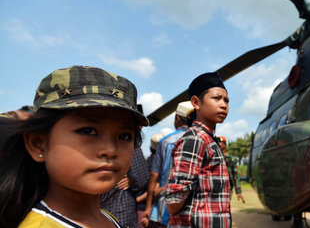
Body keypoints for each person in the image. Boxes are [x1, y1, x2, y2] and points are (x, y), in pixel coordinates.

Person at [0, 65, 148, 228]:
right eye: (88, 131)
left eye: (124, 136)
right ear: (38, 144)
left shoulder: (108, 219)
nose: (110, 150)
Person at [165, 72, 231, 227]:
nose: (224, 105)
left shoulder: (208, 139)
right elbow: (174, 201)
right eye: (216, 98)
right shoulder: (195, 139)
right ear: (196, 102)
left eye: (226, 100)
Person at [142, 101, 192, 228]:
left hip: (164, 206)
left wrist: (148, 208)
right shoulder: (200, 140)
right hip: (191, 208)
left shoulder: (165, 141)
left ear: (178, 119)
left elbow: (154, 176)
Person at [101, 145, 149, 228]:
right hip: (120, 209)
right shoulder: (129, 142)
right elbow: (142, 178)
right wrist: (132, 179)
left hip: (91, 210)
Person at [218, 136, 245, 204]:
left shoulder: (231, 159)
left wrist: (238, 192)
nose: (218, 143)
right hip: (215, 188)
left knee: (225, 207)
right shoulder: (214, 157)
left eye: (220, 141)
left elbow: (236, 176)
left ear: (225, 144)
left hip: (227, 188)